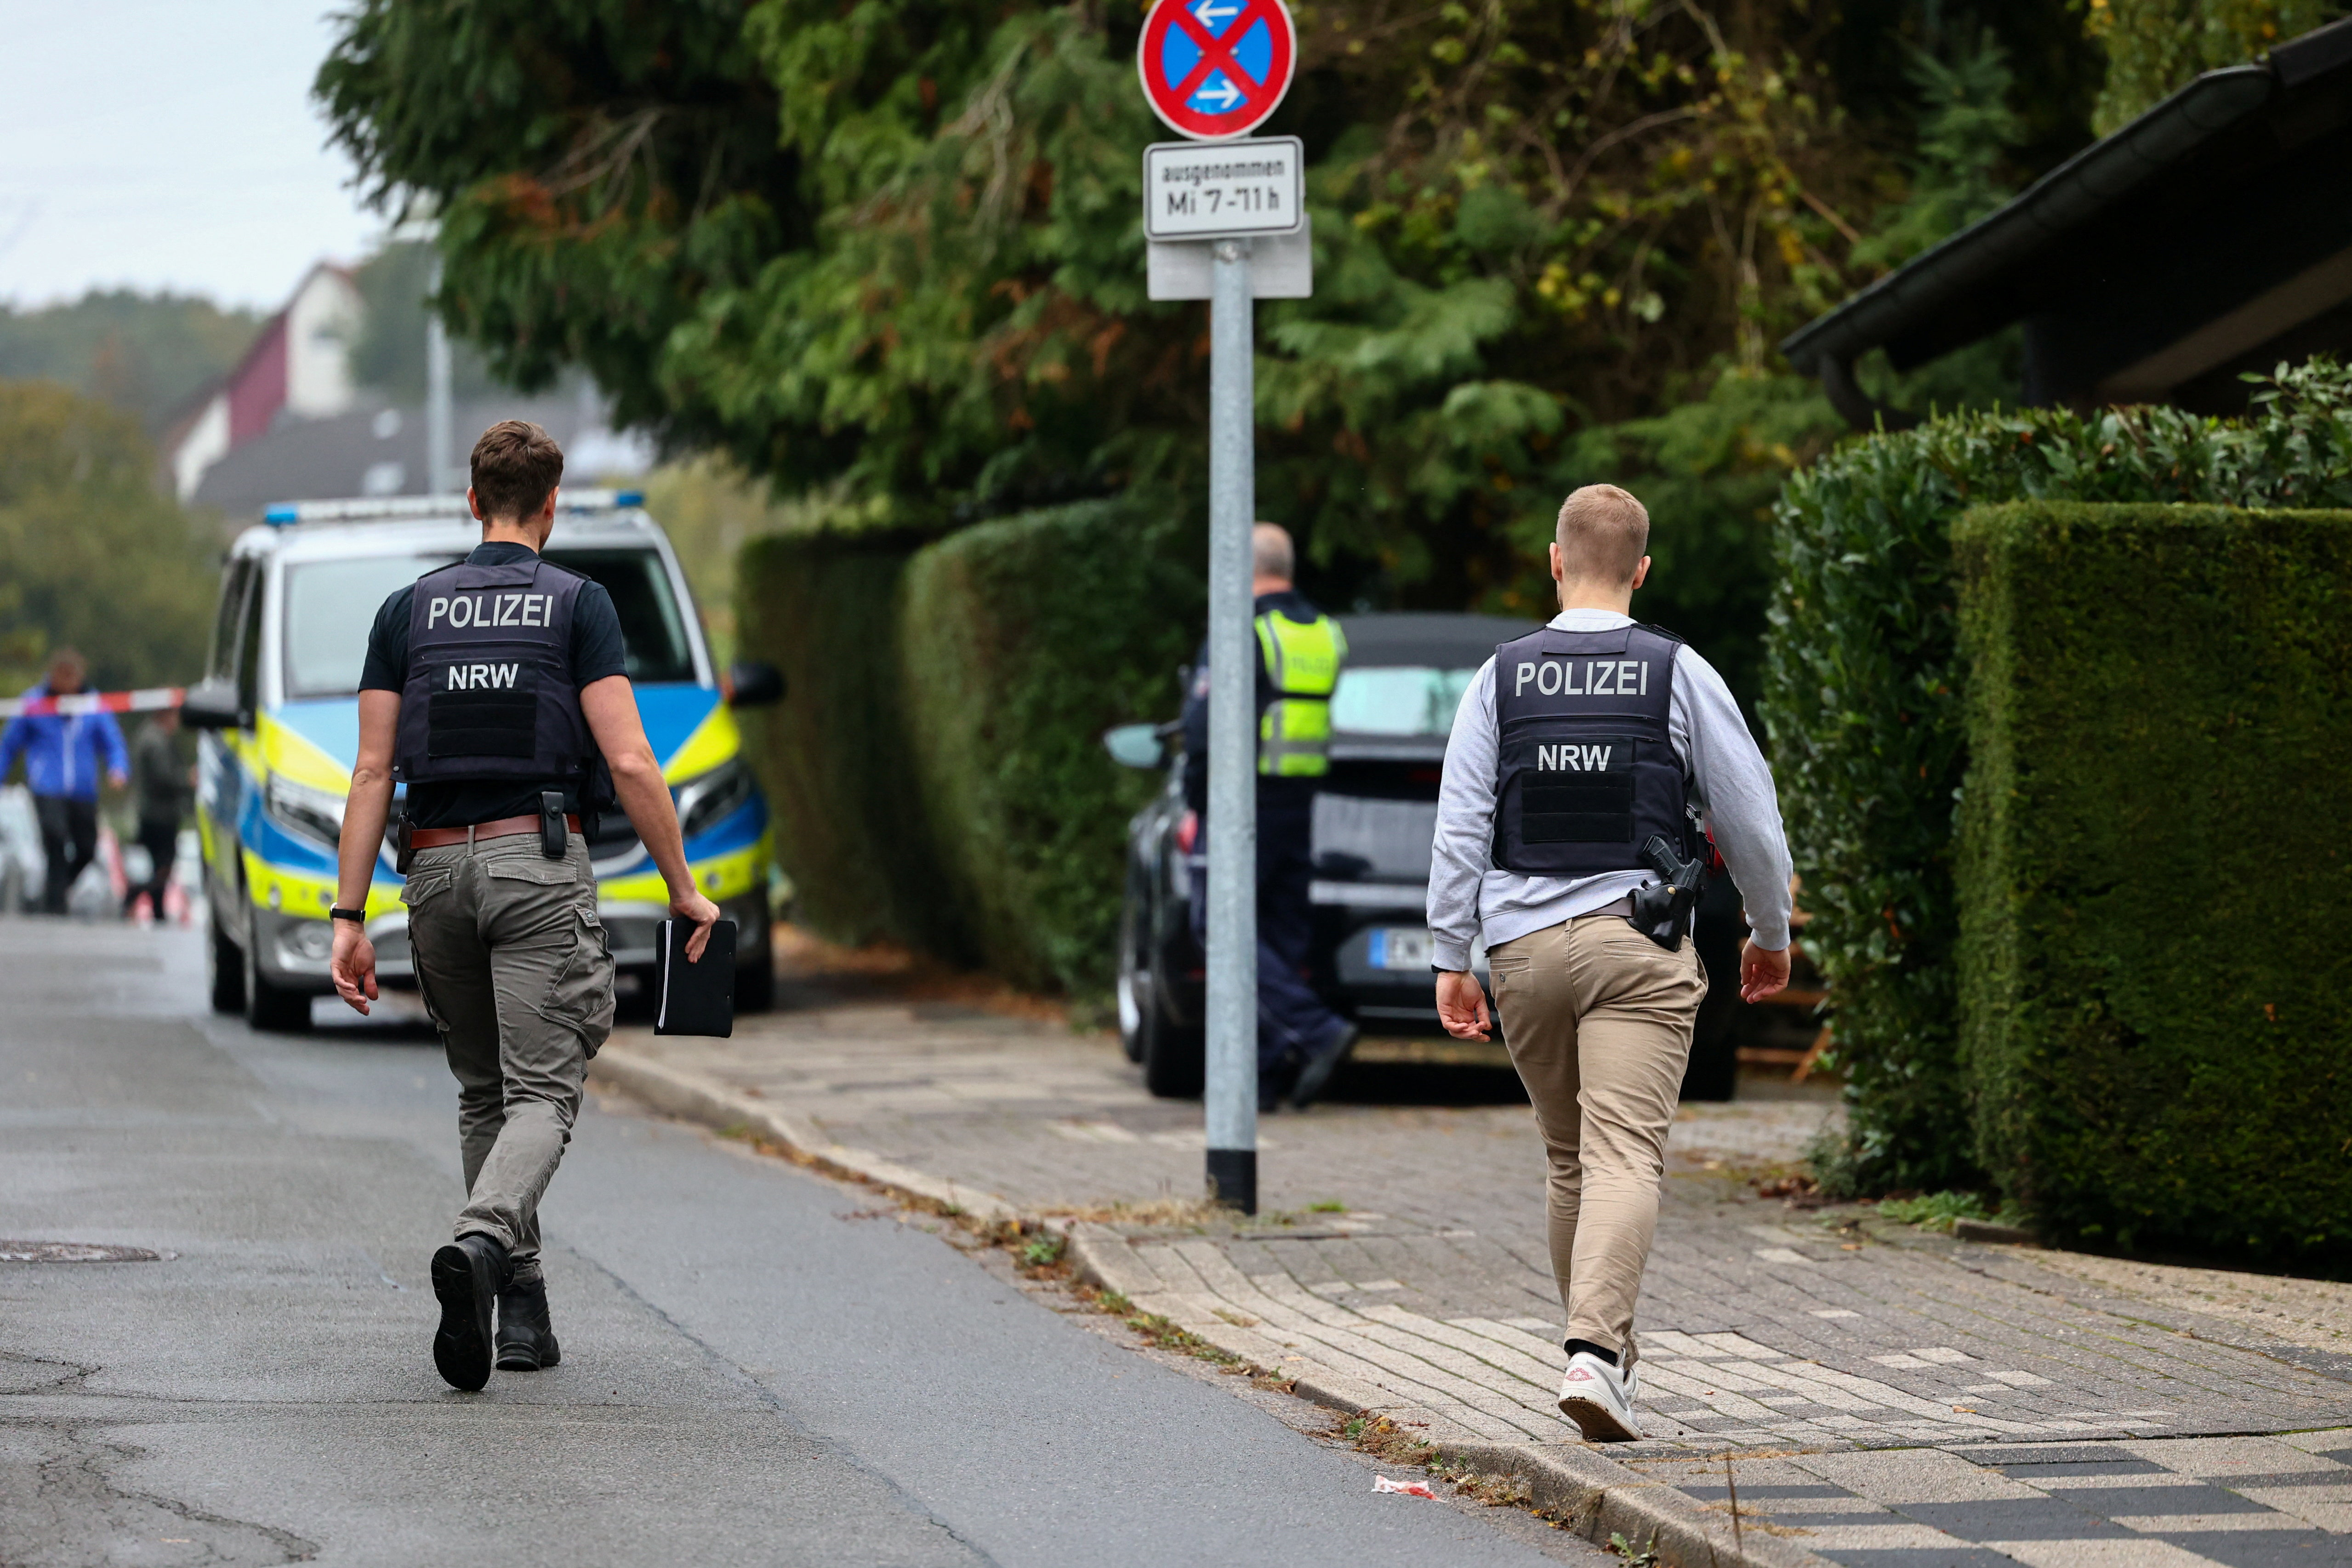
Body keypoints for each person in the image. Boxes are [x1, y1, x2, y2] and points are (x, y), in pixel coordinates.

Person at [327, 420, 720, 1393]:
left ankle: (521, 1315)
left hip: (430, 872)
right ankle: (482, 1239)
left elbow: (373, 767)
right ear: (553, 505)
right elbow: (627, 757)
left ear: (472, 502)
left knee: (482, 1094)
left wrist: (347, 915)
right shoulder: (578, 606)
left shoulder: (405, 612)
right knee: (544, 1092)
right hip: (535, 865)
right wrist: (682, 885)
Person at [1428, 484, 1793, 1443]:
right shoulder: (1677, 672)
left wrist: (1449, 952)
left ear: (1554, 561)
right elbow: (1744, 812)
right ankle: (1593, 1353)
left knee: (1568, 1159)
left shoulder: (1497, 678)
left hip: (1522, 955)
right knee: (1623, 1152)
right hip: (1634, 943)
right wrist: (1768, 930)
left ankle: (1595, 1352)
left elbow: (1461, 821)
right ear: (1640, 569)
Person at [1180, 522, 1359, 1112]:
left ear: (1241, 569)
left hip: (1241, 808)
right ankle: (1260, 1080)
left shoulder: (1243, 629)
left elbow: (1204, 730)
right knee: (1277, 940)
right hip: (1298, 805)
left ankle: (1316, 1031)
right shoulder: (1321, 633)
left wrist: (1196, 802)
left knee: (1222, 930)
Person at [0, 649, 129, 915]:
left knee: (87, 848)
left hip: (83, 791)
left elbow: (113, 742)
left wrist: (118, 769)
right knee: (55, 840)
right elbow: (9, 746)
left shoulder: (94, 704)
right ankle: (54, 907)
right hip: (47, 787)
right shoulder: (34, 703)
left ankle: (55, 890)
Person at [125, 707, 190, 920]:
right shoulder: (156, 741)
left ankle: (157, 908)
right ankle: (137, 895)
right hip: (159, 815)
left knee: (158, 866)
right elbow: (163, 778)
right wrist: (187, 779)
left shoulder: (151, 736)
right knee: (163, 866)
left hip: (153, 813)